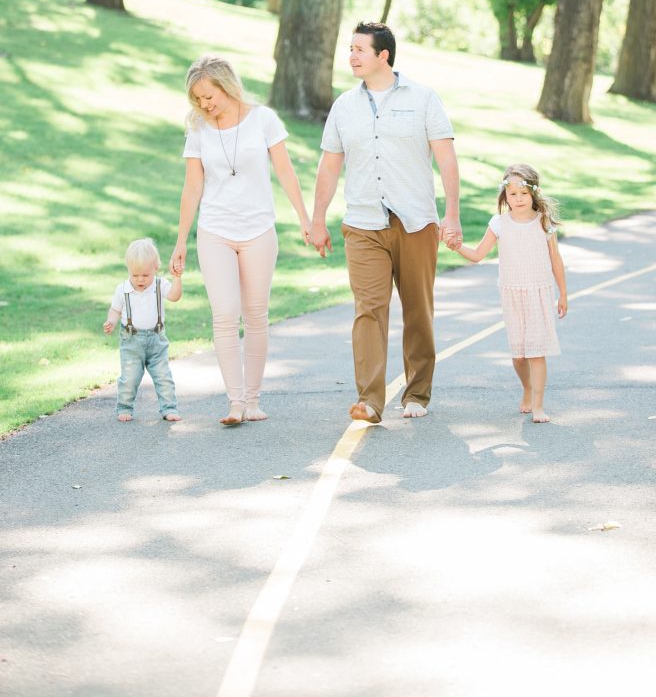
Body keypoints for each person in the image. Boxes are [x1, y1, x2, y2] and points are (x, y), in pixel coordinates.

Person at [310, 21, 461, 424]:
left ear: (383, 56)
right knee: (369, 309)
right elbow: (329, 167)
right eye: (351, 49)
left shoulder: (424, 98)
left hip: (415, 221)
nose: (352, 56)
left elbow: (446, 159)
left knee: (418, 309)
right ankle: (370, 400)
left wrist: (451, 215)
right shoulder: (344, 106)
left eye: (360, 49)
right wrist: (317, 219)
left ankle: (417, 392)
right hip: (362, 223)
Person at [170, 54, 311, 427]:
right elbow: (192, 187)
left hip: (258, 231)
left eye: (208, 95)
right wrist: (181, 241)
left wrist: (304, 218)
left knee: (256, 316)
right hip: (215, 231)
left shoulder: (263, 120)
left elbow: (285, 172)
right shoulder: (199, 129)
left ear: (226, 85)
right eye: (198, 99)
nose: (205, 104)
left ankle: (252, 400)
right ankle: (234, 402)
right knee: (224, 314)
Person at [452, 163, 568, 423]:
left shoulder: (543, 221)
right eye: (512, 194)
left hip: (539, 291)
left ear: (533, 194)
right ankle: (526, 388)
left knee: (537, 351)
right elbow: (478, 255)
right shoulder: (499, 223)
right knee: (519, 355)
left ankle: (538, 405)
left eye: (523, 194)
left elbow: (555, 259)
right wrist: (456, 246)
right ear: (505, 196)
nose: (518, 199)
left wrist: (563, 294)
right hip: (512, 293)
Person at [103, 238, 183, 422]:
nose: (140, 280)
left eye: (145, 275)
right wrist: (111, 321)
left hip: (157, 340)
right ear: (128, 270)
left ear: (156, 267)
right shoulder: (123, 290)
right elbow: (115, 309)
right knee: (129, 378)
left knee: (163, 376)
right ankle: (124, 408)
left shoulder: (159, 285)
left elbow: (174, 296)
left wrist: (177, 279)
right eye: (135, 275)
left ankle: (169, 408)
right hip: (131, 341)